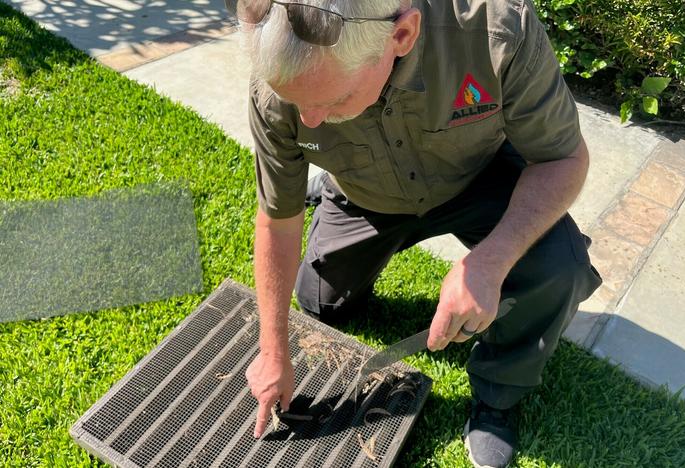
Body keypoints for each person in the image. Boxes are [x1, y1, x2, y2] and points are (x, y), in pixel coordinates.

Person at [230, 0, 603, 466]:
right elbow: (277, 219)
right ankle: (329, 183)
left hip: (478, 177)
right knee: (319, 302)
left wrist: (491, 261)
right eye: (296, 99)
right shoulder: (275, 93)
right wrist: (272, 349)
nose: (309, 119)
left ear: (401, 35)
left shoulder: (497, 28)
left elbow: (564, 160)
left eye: (333, 98)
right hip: (366, 194)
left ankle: (498, 398)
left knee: (558, 267)